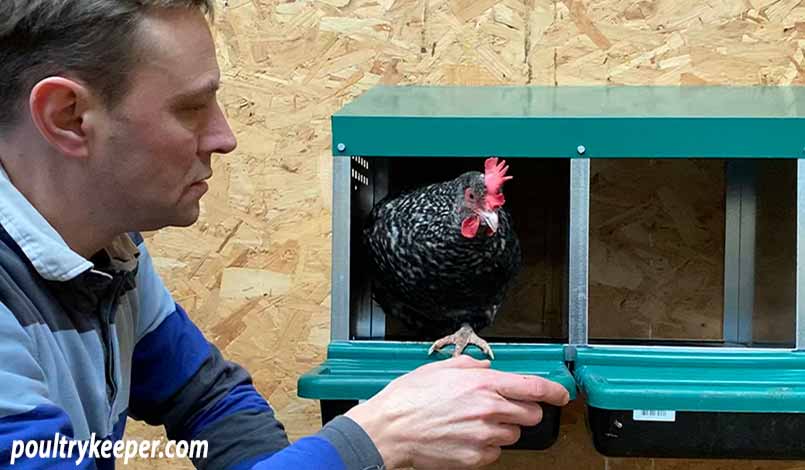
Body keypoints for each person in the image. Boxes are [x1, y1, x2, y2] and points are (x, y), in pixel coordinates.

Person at [0, 1, 570, 469]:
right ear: (68, 116)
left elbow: (209, 400)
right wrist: (375, 436)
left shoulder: (105, 250)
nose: (225, 138)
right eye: (192, 108)